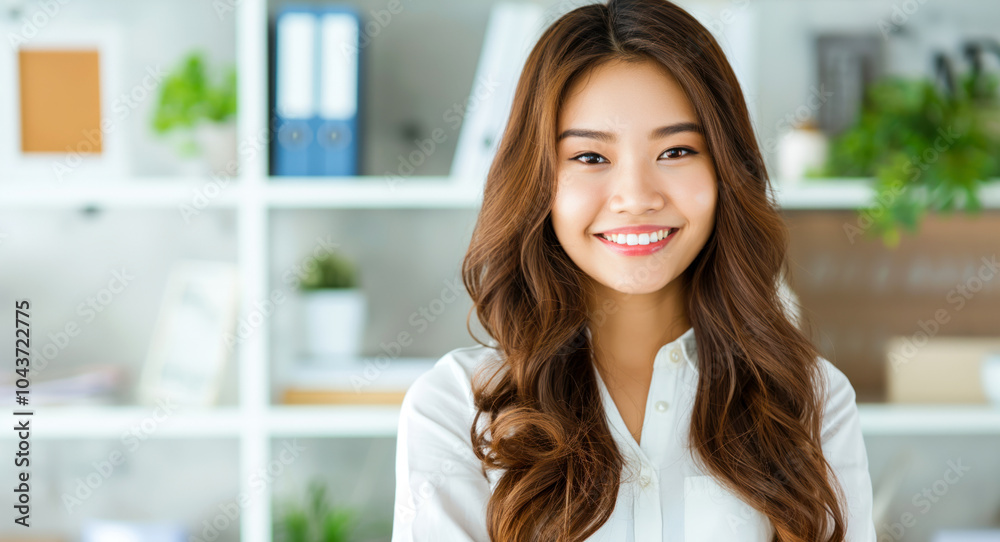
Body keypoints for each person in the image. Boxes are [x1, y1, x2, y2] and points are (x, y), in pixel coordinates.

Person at [391, 0, 876, 540]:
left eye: (675, 151)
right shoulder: (458, 407)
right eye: (590, 158)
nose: (636, 198)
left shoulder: (810, 399)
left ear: (725, 172)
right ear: (538, 181)